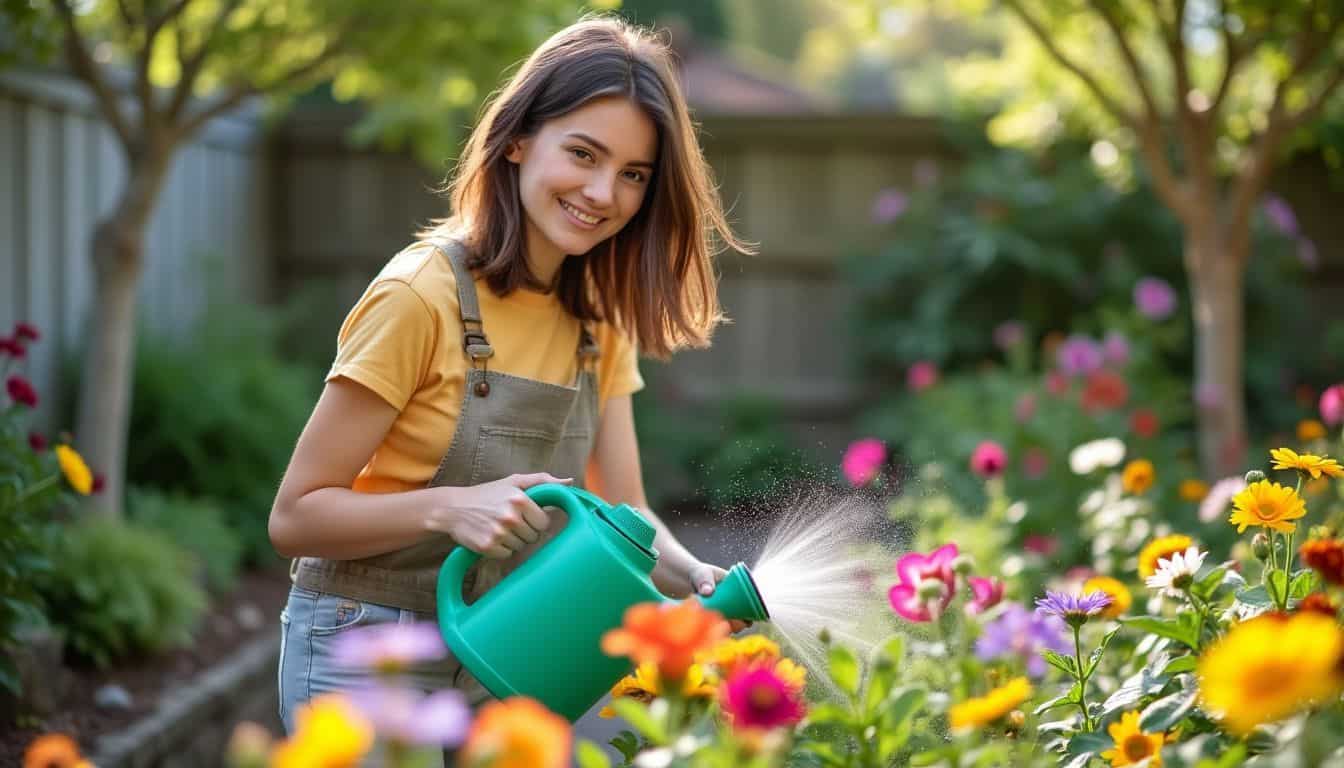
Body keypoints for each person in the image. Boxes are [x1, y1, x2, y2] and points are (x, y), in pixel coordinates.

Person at [267, 15, 753, 731]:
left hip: (513, 641)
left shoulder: (597, 322)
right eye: (583, 154)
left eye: (633, 175)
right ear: (520, 139)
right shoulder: (418, 298)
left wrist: (693, 577)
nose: (602, 192)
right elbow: (295, 516)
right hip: (367, 643)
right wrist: (449, 507)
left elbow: (627, 510)